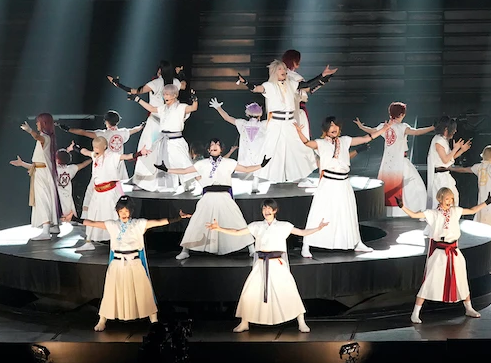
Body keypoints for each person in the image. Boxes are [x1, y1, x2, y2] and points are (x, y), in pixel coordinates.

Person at [206, 198, 329, 333]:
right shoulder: (256, 226)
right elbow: (237, 232)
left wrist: (318, 228)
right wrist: (219, 228)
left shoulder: (283, 226)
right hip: (261, 264)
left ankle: (301, 321)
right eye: (264, 208)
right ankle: (244, 322)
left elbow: (302, 232)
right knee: (250, 292)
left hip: (277, 263)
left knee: (289, 291)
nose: (266, 211)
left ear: (275, 210)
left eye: (269, 208)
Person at [81, 198, 191, 331]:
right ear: (117, 211)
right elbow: (92, 223)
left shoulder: (138, 224)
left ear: (131, 211)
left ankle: (154, 320)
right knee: (111, 292)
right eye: (121, 211)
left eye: (126, 211)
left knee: (143, 290)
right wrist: (74, 219)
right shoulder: (112, 224)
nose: (124, 214)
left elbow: (157, 222)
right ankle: (102, 319)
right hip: (117, 263)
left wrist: (178, 218)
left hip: (134, 262)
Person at [396, 188, 491, 323]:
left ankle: (469, 308)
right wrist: (402, 206)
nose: (450, 201)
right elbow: (414, 215)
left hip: (454, 251)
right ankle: (415, 313)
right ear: (440, 199)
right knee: (430, 281)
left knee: (461, 279)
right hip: (440, 253)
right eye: (447, 198)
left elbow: (472, 210)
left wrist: (487, 202)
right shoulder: (433, 214)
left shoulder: (455, 211)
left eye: (451, 198)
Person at [157, 138, 269, 260]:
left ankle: (251, 249)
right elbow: (184, 171)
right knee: (196, 222)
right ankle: (185, 250)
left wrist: (261, 165)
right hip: (208, 196)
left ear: (221, 149)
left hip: (224, 196)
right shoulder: (202, 163)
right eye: (212, 144)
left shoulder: (229, 162)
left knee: (237, 220)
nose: (214, 146)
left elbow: (246, 169)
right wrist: (167, 169)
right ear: (208, 149)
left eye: (217, 144)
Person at [295, 117, 391, 258]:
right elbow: (307, 143)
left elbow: (366, 138)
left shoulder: (345, 140)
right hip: (328, 182)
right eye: (331, 125)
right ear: (325, 129)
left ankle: (357, 243)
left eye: (336, 125)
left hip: (344, 182)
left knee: (348, 213)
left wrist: (383, 129)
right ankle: (306, 244)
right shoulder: (321, 143)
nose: (334, 128)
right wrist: (299, 132)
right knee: (319, 212)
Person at [236, 60, 337, 183]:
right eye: (280, 69)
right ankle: (257, 177)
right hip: (276, 122)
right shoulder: (269, 86)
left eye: (284, 68)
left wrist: (322, 75)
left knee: (300, 147)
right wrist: (245, 82)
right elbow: (256, 88)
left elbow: (307, 84)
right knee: (270, 149)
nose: (283, 71)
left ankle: (300, 175)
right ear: (274, 72)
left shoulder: (291, 84)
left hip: (290, 122)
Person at [107, 61, 186, 187]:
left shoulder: (155, 83)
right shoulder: (175, 82)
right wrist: (180, 73)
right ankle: (164, 181)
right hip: (168, 124)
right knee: (164, 152)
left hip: (155, 123)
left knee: (145, 149)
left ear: (160, 70)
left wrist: (117, 84)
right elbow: (184, 85)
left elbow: (135, 91)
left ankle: (143, 180)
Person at [75, 137, 150, 252]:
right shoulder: (95, 155)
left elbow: (127, 156)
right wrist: (75, 148)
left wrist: (139, 153)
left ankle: (122, 240)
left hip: (109, 192)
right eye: (94, 147)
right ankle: (88, 241)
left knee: (114, 216)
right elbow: (85, 151)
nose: (95, 149)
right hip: (97, 193)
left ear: (104, 147)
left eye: (97, 147)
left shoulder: (112, 156)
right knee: (92, 215)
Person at [356, 102, 434, 212]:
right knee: (415, 187)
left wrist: (361, 126)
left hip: (387, 163)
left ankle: (391, 211)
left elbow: (372, 131)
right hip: (401, 161)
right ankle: (414, 210)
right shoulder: (402, 127)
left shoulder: (384, 126)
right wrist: (432, 128)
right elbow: (416, 132)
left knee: (389, 185)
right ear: (402, 114)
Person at [126, 84, 200, 192]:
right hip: (163, 140)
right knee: (154, 161)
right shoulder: (163, 108)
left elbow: (193, 108)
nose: (165, 96)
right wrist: (137, 99)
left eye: (167, 94)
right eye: (164, 94)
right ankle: (148, 184)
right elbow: (151, 108)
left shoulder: (181, 107)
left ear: (174, 95)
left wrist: (195, 100)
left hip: (176, 141)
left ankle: (199, 183)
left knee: (184, 163)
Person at [11, 113, 62, 241]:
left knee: (43, 199)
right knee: (47, 198)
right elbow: (36, 164)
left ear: (44, 123)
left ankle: (46, 231)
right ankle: (53, 226)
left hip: (42, 174)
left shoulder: (46, 138)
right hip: (41, 172)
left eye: (38, 122)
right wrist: (22, 164)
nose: (37, 124)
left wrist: (29, 131)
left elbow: (37, 137)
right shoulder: (48, 138)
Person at [58, 111, 145, 182]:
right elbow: (135, 129)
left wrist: (68, 129)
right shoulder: (123, 132)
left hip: (106, 166)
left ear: (106, 121)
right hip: (119, 166)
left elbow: (84, 132)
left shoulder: (103, 134)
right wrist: (142, 126)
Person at [209, 98, 269, 193]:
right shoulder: (264, 124)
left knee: (250, 166)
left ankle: (253, 183)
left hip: (247, 153)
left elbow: (227, 118)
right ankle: (255, 182)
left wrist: (218, 108)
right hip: (258, 152)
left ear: (247, 114)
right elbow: (274, 120)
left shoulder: (242, 123)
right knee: (259, 164)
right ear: (260, 115)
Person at [426, 116, 471, 209]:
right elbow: (445, 160)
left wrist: (461, 150)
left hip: (445, 175)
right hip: (440, 178)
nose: (455, 131)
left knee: (454, 198)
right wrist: (455, 149)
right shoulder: (438, 141)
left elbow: (450, 158)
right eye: (453, 129)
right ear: (446, 129)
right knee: (445, 201)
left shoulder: (443, 140)